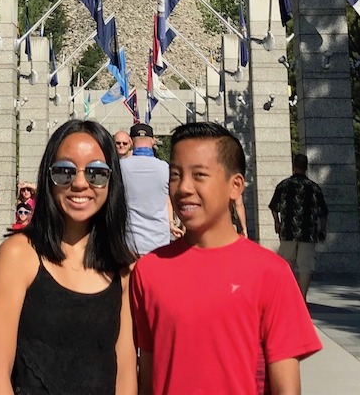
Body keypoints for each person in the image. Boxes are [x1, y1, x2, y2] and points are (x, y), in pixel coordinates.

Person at [131, 123, 321, 395]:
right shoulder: (149, 270)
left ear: (235, 185)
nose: (184, 187)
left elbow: (286, 386)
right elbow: (147, 370)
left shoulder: (271, 273)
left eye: (199, 175)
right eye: (175, 174)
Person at [0, 119, 136, 395]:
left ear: (112, 180)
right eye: (64, 171)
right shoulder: (19, 255)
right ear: (48, 177)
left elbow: (125, 373)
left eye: (96, 173)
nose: (79, 183)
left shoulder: (123, 266)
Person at [268, 153, 329, 298]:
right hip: (308, 232)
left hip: (288, 230)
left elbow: (273, 207)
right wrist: (322, 230)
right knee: (305, 266)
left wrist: (277, 223)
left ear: (293, 166)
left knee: (287, 264)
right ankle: (302, 298)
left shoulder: (283, 185)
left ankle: (288, 296)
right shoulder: (314, 188)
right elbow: (323, 212)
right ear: (306, 167)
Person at [119, 123, 178, 255]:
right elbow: (170, 199)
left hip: (130, 243)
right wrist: (171, 223)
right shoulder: (165, 168)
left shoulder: (120, 167)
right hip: (160, 243)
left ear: (130, 141)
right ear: (153, 140)